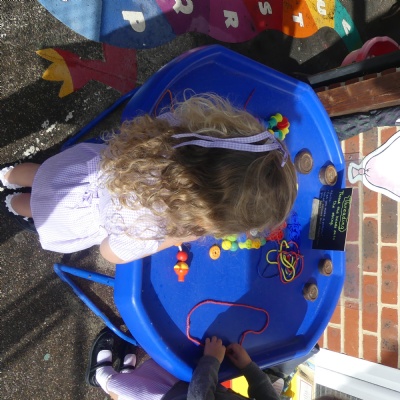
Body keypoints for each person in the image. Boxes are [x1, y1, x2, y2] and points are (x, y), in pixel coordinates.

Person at [0, 94, 297, 264]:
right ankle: (14, 204)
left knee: (41, 174)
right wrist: (177, 238)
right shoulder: (146, 226)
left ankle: (8, 174)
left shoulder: (179, 132)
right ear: (211, 217)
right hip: (67, 217)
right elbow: (109, 253)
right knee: (36, 208)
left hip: (74, 170)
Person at [86, 327, 282, 399]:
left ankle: (101, 374)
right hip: (193, 386)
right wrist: (248, 367)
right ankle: (129, 372)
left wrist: (211, 360)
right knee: (153, 370)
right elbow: (267, 395)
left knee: (126, 391)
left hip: (168, 397)